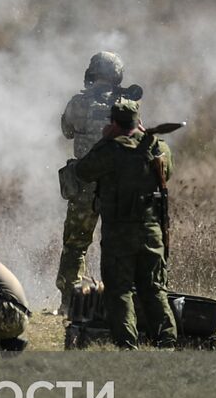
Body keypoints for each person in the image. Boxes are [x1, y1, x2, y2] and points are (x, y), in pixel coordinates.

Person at [72, 98, 178, 350]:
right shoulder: (157, 147)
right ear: (138, 121)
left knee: (120, 291)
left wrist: (105, 140)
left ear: (113, 122)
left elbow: (83, 171)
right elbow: (168, 172)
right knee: (154, 289)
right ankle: (167, 342)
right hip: (151, 231)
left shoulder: (110, 150)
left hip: (119, 233)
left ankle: (127, 346)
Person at [56, 51, 140, 309]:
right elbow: (137, 137)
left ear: (92, 72)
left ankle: (69, 303)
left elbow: (67, 131)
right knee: (120, 244)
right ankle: (121, 303)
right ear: (116, 74)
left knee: (75, 244)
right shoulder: (126, 103)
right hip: (117, 188)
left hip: (84, 185)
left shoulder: (78, 102)